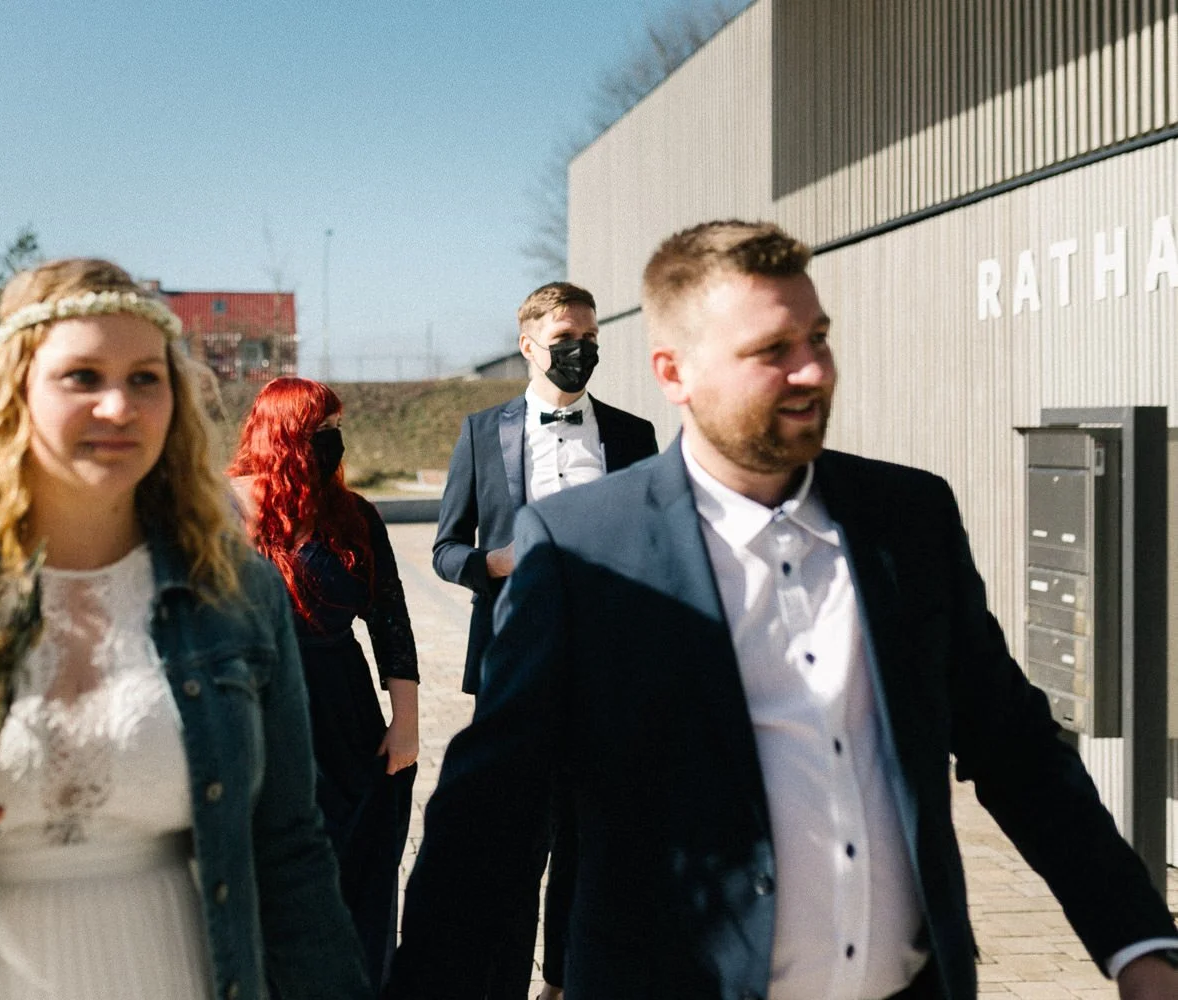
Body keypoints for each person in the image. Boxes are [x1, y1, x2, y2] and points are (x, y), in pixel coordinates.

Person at [388, 222, 1178, 1000]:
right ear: (675, 373)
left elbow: (1017, 749)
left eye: (818, 339)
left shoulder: (909, 518)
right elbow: (485, 824)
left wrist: (1139, 943)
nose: (812, 372)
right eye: (773, 351)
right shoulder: (579, 552)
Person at [0, 259, 372, 1000]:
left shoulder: (236, 592)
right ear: (15, 391)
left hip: (176, 972)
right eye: (82, 376)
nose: (119, 405)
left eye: (146, 378)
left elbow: (289, 849)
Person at [432, 280, 657, 998]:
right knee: (510, 834)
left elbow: (656, 545)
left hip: (606, 665)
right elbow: (444, 548)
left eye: (589, 339)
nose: (580, 351)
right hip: (512, 660)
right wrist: (491, 564)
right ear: (529, 345)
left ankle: (564, 982)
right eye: (565, 340)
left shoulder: (632, 435)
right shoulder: (480, 432)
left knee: (588, 839)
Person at [229, 376, 420, 994]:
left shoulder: (354, 516)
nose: (333, 444)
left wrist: (406, 725)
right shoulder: (228, 510)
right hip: (260, 711)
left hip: (347, 713)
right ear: (282, 436)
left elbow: (390, 621)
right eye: (319, 432)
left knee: (360, 878)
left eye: (337, 430)